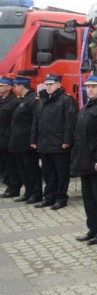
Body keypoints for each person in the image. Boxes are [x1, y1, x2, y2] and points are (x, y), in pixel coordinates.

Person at [70, 73, 97, 245]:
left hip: (95, 162)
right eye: (88, 86)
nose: (90, 89)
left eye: (94, 86)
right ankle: (93, 228)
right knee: (88, 198)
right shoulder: (88, 106)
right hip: (83, 160)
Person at [30, 73, 77, 209]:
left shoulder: (66, 100)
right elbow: (36, 121)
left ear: (59, 84)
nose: (48, 87)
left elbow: (70, 122)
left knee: (61, 173)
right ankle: (49, 197)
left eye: (51, 84)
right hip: (44, 143)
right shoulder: (42, 100)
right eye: (47, 84)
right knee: (48, 172)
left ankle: (61, 198)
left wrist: (67, 141)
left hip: (59, 144)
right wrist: (33, 139)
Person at [10, 75, 42, 204]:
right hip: (19, 141)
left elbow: (36, 121)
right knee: (23, 169)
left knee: (31, 169)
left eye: (16, 86)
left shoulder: (32, 100)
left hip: (27, 141)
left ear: (21, 86)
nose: (15, 88)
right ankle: (29, 192)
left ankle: (36, 193)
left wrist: (33, 139)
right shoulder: (23, 99)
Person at [0, 75, 23, 199]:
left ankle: (14, 187)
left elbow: (14, 121)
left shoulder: (14, 101)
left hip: (8, 137)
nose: (0, 88)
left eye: (2, 86)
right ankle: (10, 185)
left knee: (11, 166)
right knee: (3, 166)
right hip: (1, 137)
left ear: (9, 87)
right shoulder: (1, 99)